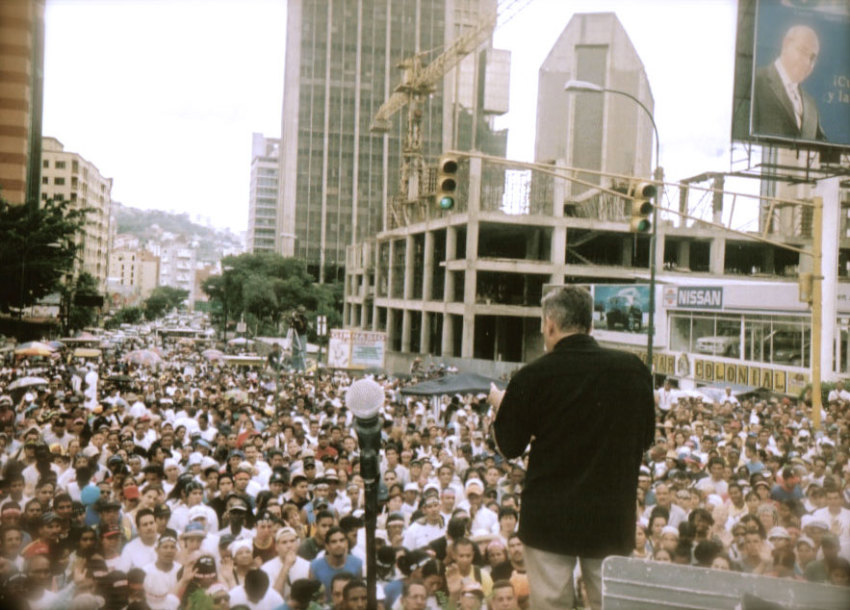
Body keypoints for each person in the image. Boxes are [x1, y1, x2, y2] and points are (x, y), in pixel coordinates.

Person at [490, 286, 655, 609]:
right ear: (590, 325)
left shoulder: (532, 375)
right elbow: (646, 437)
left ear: (550, 324)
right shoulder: (633, 370)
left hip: (549, 520)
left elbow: (509, 447)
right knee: (612, 604)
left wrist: (501, 407)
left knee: (552, 604)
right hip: (610, 516)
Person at [752, 24, 826, 141]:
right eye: (803, 51)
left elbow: (822, 145)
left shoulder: (811, 105)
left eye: (812, 58)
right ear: (786, 45)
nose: (807, 62)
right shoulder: (755, 81)